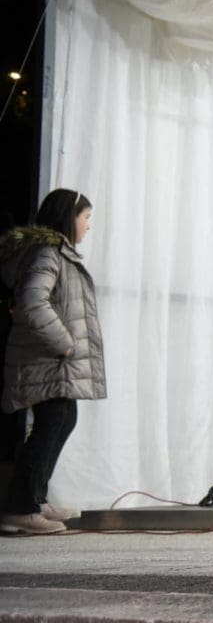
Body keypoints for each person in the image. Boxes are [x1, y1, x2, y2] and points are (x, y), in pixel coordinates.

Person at [0, 189, 102, 534]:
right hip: (47, 359)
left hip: (52, 361)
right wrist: (65, 343)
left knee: (61, 420)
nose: (88, 225)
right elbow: (32, 303)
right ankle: (21, 508)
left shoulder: (55, 253)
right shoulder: (48, 254)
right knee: (53, 423)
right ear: (68, 217)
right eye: (86, 217)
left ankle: (34, 499)